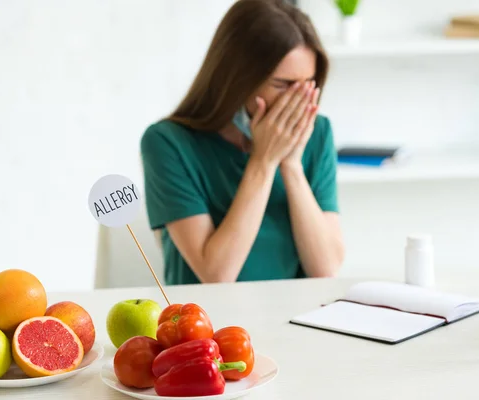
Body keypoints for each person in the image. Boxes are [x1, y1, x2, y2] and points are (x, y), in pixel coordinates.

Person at [140, 0, 345, 285]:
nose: (296, 101)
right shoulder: (167, 143)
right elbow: (216, 274)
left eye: (307, 84)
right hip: (204, 323)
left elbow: (325, 270)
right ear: (237, 79)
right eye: (283, 85)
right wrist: (264, 161)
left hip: (294, 316)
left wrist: (291, 164)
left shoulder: (318, 132)